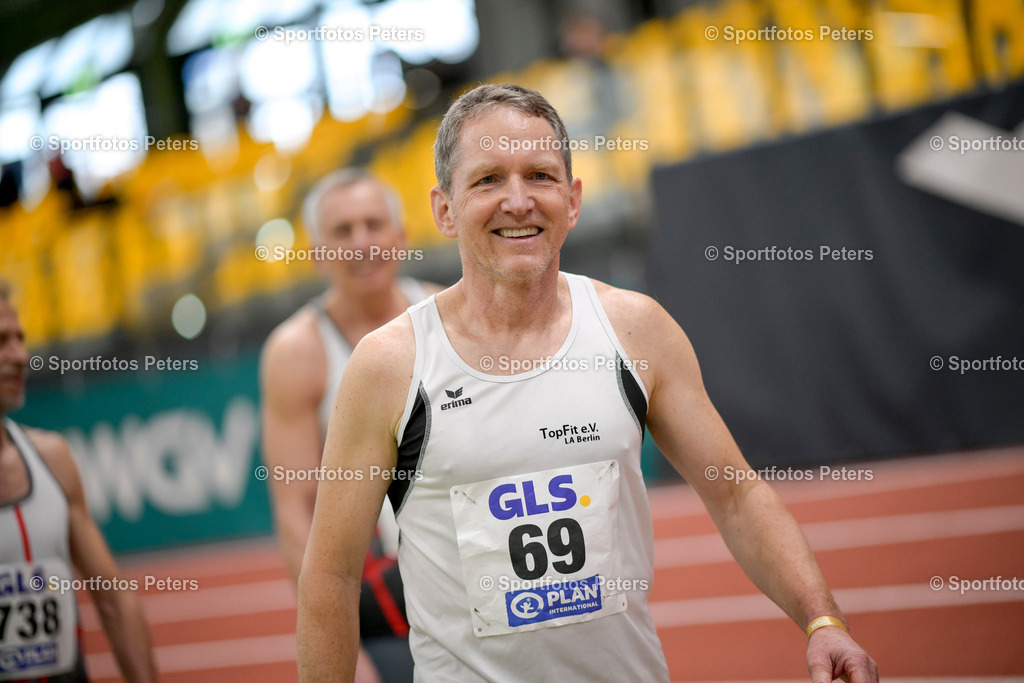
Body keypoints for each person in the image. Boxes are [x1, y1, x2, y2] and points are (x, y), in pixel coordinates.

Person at [296, 85, 879, 683]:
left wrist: (822, 621)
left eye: (540, 176)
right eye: (488, 179)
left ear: (572, 201)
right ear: (444, 209)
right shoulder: (390, 365)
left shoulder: (636, 330)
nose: (518, 201)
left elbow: (738, 496)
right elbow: (332, 575)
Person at [260, 169, 440, 682]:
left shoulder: (449, 315)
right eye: (342, 232)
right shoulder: (296, 351)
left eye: (373, 224)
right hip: (380, 591)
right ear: (317, 253)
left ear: (401, 238)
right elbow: (295, 508)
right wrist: (332, 633)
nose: (361, 243)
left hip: (466, 561)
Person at [0, 280, 157, 683]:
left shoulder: (51, 458)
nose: (20, 355)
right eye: (2, 341)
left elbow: (113, 598)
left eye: (20, 339)